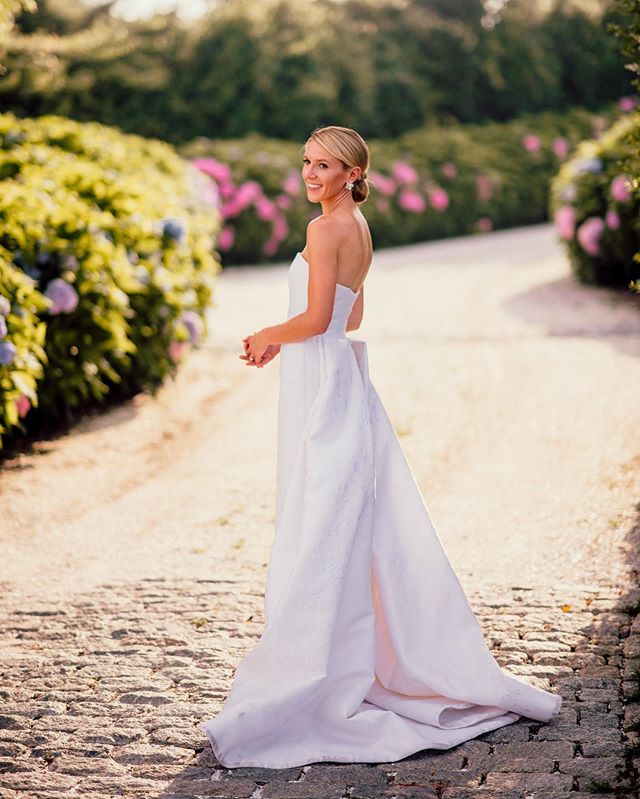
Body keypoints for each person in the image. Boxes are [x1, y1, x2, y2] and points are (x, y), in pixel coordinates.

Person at [200, 125, 562, 769]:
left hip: (320, 379)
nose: (310, 174)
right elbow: (350, 317)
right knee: (343, 520)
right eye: (306, 162)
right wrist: (300, 333)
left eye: (325, 166)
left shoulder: (323, 230)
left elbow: (316, 321)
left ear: (351, 173)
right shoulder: (360, 229)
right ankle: (358, 657)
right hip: (341, 375)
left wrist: (266, 334)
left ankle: (317, 669)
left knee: (320, 525)